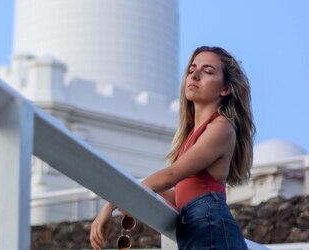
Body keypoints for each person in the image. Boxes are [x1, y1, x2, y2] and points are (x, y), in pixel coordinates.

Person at [90, 46, 255, 250]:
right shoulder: (193, 135)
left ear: (225, 89)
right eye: (192, 69)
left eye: (208, 71)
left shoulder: (221, 128)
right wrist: (133, 200)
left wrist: (111, 204)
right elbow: (180, 194)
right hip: (200, 231)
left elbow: (171, 174)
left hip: (211, 229)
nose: (194, 74)